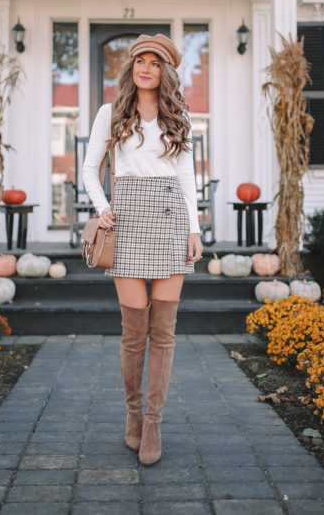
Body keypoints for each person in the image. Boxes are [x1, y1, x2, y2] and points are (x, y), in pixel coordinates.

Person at [82, 33, 203, 466]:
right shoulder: (109, 113)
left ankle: (153, 423)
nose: (145, 68)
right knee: (134, 335)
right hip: (128, 221)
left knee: (164, 334)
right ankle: (133, 416)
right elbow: (89, 168)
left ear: (165, 70)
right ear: (131, 68)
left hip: (171, 220)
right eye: (139, 61)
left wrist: (194, 228)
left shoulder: (178, 114)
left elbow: (187, 177)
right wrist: (102, 207)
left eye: (154, 62)